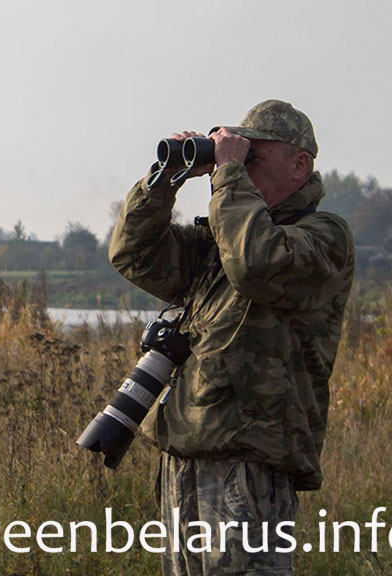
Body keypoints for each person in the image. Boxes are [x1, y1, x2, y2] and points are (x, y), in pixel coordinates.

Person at [108, 100, 355, 575]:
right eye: (235, 155)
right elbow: (134, 254)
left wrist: (226, 177)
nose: (238, 164)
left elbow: (257, 264)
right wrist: (165, 180)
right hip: (186, 454)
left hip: (250, 463)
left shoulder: (324, 237)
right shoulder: (227, 234)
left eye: (252, 157)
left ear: (299, 165)